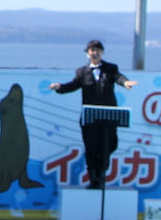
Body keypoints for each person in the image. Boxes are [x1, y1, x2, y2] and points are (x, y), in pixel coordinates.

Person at [49, 39, 137, 189]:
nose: (95, 53)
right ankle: (94, 178)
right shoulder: (82, 72)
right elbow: (72, 85)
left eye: (98, 50)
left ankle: (102, 175)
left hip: (108, 116)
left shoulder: (111, 68)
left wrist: (126, 83)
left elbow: (118, 77)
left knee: (107, 146)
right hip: (90, 117)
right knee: (91, 148)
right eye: (92, 50)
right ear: (87, 53)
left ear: (102, 52)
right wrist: (59, 87)